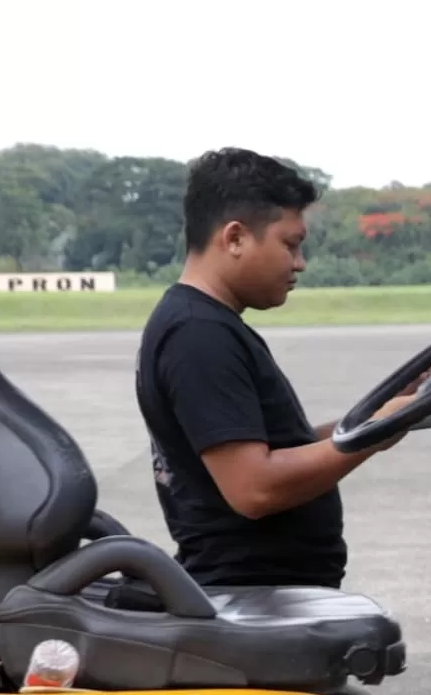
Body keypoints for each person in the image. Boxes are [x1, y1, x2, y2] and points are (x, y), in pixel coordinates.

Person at [136, 147, 378, 593]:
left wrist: (389, 410)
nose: (299, 263)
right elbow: (255, 488)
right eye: (290, 244)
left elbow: (286, 446)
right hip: (253, 592)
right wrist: (378, 432)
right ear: (235, 239)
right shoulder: (198, 335)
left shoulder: (206, 324)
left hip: (268, 586)